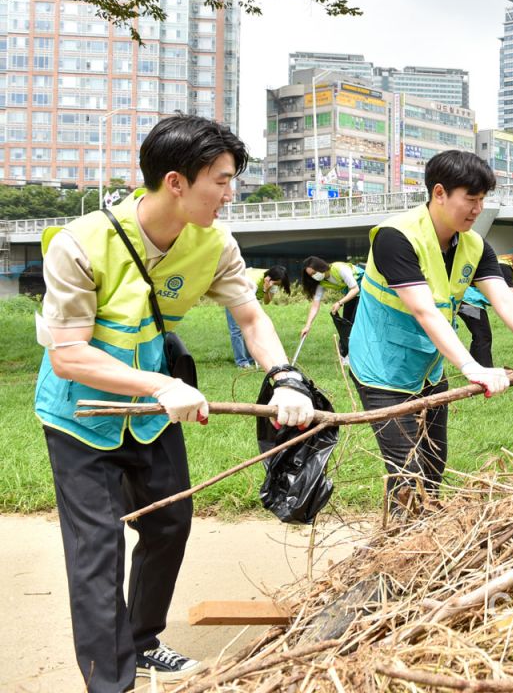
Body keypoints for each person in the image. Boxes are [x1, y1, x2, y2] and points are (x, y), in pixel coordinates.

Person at [34, 114, 315, 692]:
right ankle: (109, 682)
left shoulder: (214, 243)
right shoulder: (80, 243)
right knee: (97, 547)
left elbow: (250, 314)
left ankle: (140, 643)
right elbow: (67, 354)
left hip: (155, 414)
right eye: (222, 179)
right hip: (81, 416)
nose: (229, 194)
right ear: (176, 181)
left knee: (169, 523)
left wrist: (285, 376)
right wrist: (162, 386)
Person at [347, 150, 513, 509]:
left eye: (483, 200)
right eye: (470, 198)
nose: (477, 209)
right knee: (408, 475)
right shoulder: (396, 237)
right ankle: (399, 553)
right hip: (382, 369)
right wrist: (471, 367)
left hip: (427, 370)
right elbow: (425, 310)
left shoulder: (474, 245)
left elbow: (504, 301)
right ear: (439, 193)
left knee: (434, 466)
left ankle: (424, 546)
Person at [299, 255, 362, 361]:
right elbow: (315, 305)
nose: (314, 276)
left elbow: (355, 289)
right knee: (346, 323)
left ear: (320, 267)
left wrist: (339, 303)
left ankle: (357, 356)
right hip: (351, 293)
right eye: (311, 275)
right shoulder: (321, 282)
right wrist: (307, 326)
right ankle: (346, 355)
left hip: (364, 289)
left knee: (356, 322)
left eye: (314, 273)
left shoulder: (339, 269)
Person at [227, 265, 289, 368]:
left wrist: (266, 289)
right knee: (236, 329)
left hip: (250, 300)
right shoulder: (254, 278)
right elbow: (246, 299)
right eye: (275, 283)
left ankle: (251, 359)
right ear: (270, 277)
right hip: (234, 294)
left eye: (278, 284)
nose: (276, 285)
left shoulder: (273, 284)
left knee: (251, 329)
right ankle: (242, 362)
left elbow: (267, 301)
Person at [457, 284, 494, 368]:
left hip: (465, 300)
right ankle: (485, 368)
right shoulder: (506, 272)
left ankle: (475, 367)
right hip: (469, 301)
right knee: (483, 336)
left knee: (480, 335)